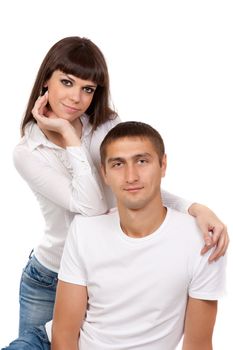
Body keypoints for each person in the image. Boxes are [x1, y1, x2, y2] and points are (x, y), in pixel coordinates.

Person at [11, 36, 228, 336]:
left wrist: (195, 208)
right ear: (46, 80)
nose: (76, 98)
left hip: (104, 271)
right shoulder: (28, 153)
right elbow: (93, 207)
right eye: (67, 82)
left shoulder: (104, 127)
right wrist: (69, 136)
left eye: (88, 89)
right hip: (51, 275)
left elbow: (132, 188)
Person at [3, 121, 226, 349]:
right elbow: (64, 334)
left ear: (163, 164)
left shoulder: (203, 240)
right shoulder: (84, 230)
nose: (131, 176)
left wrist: (196, 207)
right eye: (118, 164)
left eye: (142, 161)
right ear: (105, 174)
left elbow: (198, 345)